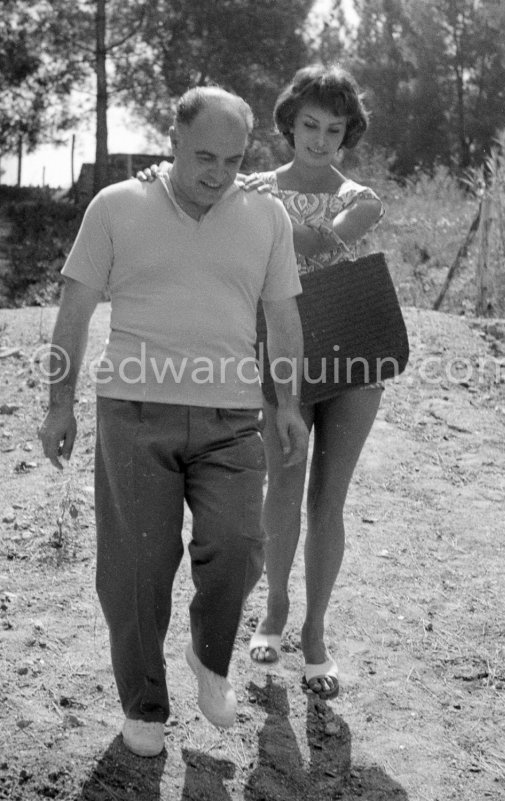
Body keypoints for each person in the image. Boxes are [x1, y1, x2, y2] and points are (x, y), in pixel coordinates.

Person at [38, 87, 309, 759]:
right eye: (203, 157)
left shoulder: (265, 215)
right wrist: (58, 400)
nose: (217, 173)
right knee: (135, 565)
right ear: (174, 140)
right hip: (133, 414)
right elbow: (73, 310)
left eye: (233, 159)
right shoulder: (117, 207)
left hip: (231, 416)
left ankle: (209, 654)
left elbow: (283, 320)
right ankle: (145, 704)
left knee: (243, 539)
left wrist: (290, 404)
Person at [137, 65, 385, 700]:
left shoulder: (362, 198)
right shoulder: (247, 187)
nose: (320, 139)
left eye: (335, 129)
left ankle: (316, 632)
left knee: (328, 502)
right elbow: (191, 194)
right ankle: (273, 613)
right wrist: (152, 183)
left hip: (353, 360)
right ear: (289, 124)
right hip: (281, 357)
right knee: (281, 491)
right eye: (309, 125)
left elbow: (319, 243)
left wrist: (257, 207)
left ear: (347, 133)